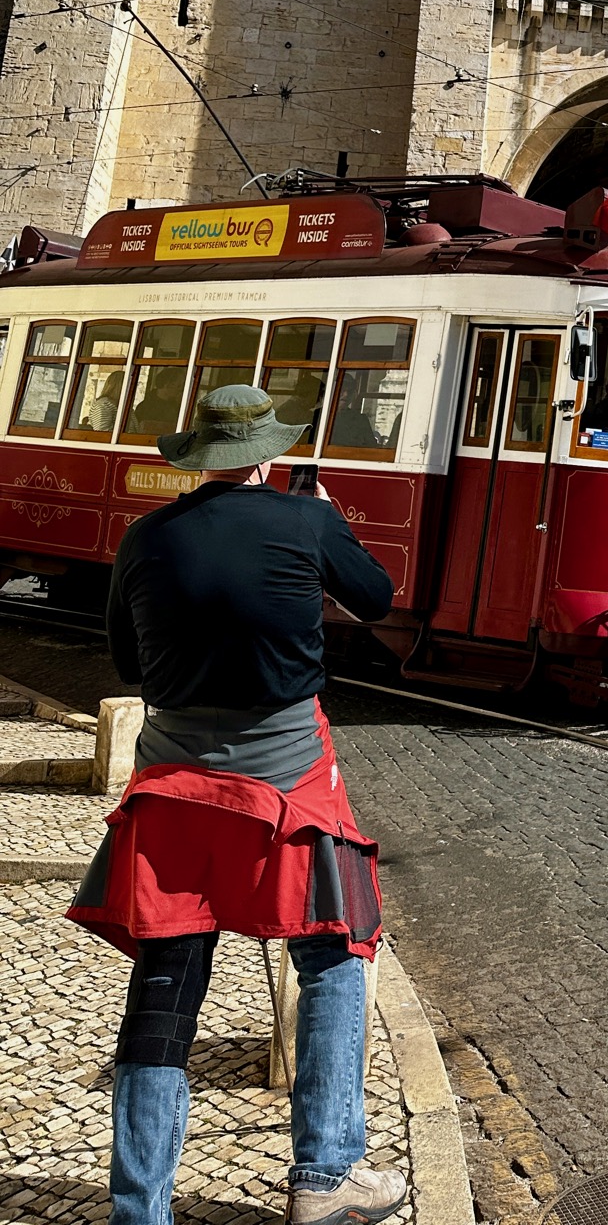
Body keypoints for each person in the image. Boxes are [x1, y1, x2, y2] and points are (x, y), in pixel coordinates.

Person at [69, 385, 404, 1225]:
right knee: (334, 952)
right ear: (267, 455)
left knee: (165, 985)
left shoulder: (145, 537)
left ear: (201, 457)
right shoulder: (307, 519)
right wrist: (327, 525)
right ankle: (326, 1175)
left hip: (173, 790)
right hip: (292, 787)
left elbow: (129, 665)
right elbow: (378, 597)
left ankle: (139, 1210)